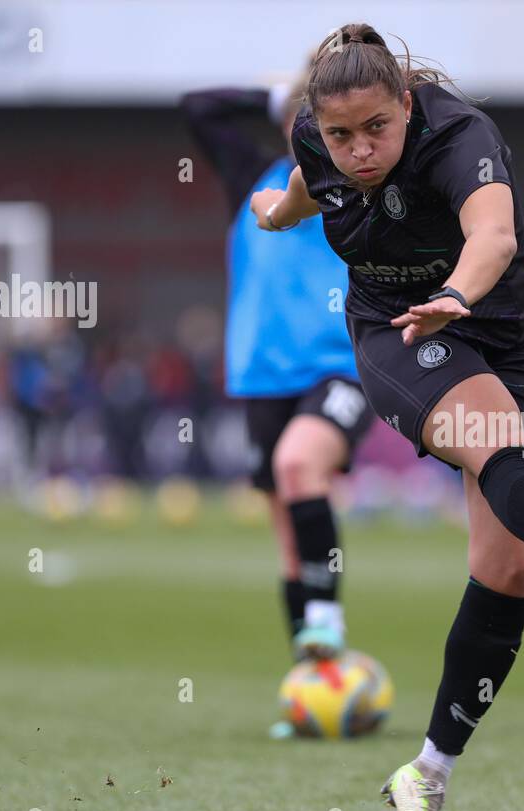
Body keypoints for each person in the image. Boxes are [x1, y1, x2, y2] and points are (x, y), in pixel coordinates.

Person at [250, 23, 524, 811]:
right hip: (400, 332)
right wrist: (279, 212)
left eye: (376, 128)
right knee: (492, 445)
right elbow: (311, 179)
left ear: (406, 104)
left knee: (508, 565)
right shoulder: (317, 140)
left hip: (503, 326)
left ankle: (427, 773)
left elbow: (495, 238)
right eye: (341, 135)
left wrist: (458, 292)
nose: (359, 150)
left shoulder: (460, 135)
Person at [182, 76, 374, 664]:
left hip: (344, 366)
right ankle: (313, 671)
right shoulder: (253, 176)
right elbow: (197, 107)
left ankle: (326, 617)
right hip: (263, 376)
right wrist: (275, 94)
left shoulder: (363, 179)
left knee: (299, 463)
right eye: (305, 116)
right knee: (289, 538)